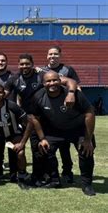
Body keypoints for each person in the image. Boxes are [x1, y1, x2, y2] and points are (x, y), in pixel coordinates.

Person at [5, 54, 78, 185]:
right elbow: (2, 93)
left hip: (48, 117)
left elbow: (70, 81)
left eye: (27, 63)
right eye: (22, 64)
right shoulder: (14, 79)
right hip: (30, 118)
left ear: (32, 64)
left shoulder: (42, 75)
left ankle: (62, 173)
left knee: (60, 146)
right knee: (36, 147)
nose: (24, 66)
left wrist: (72, 92)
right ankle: (38, 175)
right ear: (18, 65)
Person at [30, 71, 96, 196]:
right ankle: (55, 180)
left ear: (60, 81)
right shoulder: (38, 96)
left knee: (86, 151)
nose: (52, 83)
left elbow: (90, 113)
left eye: (55, 80)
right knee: (43, 149)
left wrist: (88, 139)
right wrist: (42, 138)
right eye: (48, 81)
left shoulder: (74, 94)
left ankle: (87, 184)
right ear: (43, 84)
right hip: (56, 131)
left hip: (78, 129)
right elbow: (35, 118)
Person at [41, 45, 81, 184]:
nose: (52, 56)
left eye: (55, 54)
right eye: (50, 54)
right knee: (50, 145)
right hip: (49, 112)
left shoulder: (68, 70)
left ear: (60, 55)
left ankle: (67, 172)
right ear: (47, 56)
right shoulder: (42, 71)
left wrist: (75, 98)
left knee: (65, 146)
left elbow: (76, 86)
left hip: (66, 111)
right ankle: (51, 174)